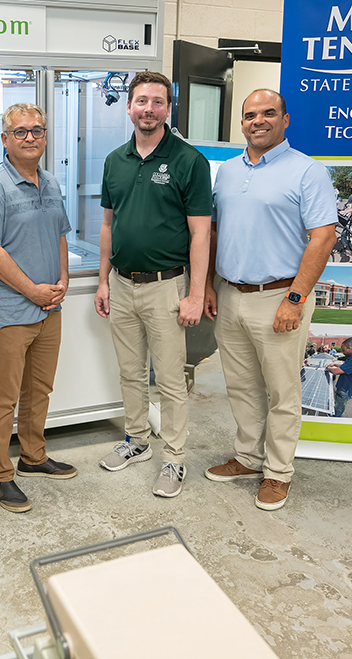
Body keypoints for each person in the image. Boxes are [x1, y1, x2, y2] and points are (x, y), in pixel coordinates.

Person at [202, 88, 336, 511]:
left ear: (285, 119)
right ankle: (247, 457)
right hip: (230, 294)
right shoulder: (225, 171)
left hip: (279, 296)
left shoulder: (307, 172)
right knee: (241, 387)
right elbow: (216, 233)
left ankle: (278, 473)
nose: (258, 121)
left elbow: (324, 237)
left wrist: (295, 299)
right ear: (241, 122)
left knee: (282, 391)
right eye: (250, 115)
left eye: (268, 114)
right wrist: (208, 284)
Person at [94, 71, 211, 498]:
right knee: (129, 373)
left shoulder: (188, 161)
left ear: (167, 108)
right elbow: (108, 224)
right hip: (122, 285)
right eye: (141, 101)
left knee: (170, 380)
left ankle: (174, 459)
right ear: (129, 107)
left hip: (167, 287)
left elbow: (201, 233)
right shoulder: (114, 160)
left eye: (157, 102)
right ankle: (137, 441)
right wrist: (103, 280)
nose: (148, 109)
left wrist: (195, 294)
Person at [0, 103, 76, 513]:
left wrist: (62, 280)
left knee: (39, 390)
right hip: (11, 311)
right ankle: (0, 475)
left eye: (37, 130)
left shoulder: (49, 181)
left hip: (50, 308)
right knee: (4, 397)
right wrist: (32, 290)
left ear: (46, 137)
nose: (30, 137)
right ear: (5, 139)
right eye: (20, 132)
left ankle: (33, 456)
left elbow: (61, 234)